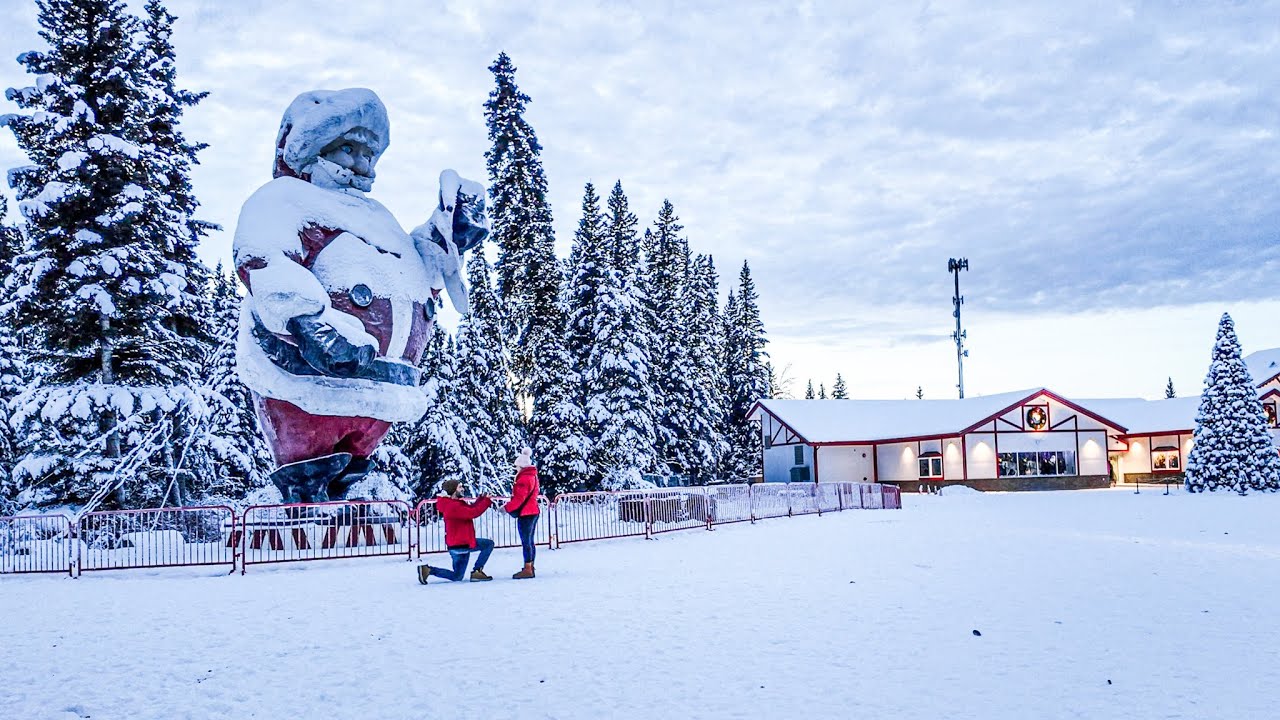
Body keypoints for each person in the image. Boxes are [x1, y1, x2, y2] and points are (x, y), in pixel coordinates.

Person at [233, 88, 488, 504]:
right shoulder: (285, 199)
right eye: (348, 148)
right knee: (309, 469)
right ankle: (301, 509)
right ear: (312, 147)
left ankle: (348, 501)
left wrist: (449, 236)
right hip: (310, 379)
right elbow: (264, 257)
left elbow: (417, 274)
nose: (360, 163)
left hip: (384, 386)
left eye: (368, 154)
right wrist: (308, 323)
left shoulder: (378, 216)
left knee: (353, 469)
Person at [417, 479, 494, 584]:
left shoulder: (451, 503)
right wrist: (486, 502)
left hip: (456, 544)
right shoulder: (453, 506)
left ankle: (428, 570)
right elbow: (472, 513)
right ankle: (477, 571)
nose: (462, 488)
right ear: (453, 490)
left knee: (457, 576)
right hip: (463, 543)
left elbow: (470, 509)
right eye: (459, 487)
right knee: (488, 544)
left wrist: (481, 499)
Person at [505, 447, 540, 579]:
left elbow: (519, 498)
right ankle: (530, 565)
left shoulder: (524, 479)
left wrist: (506, 508)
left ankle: (528, 569)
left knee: (526, 541)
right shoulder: (533, 476)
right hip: (533, 510)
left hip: (526, 513)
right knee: (530, 541)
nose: (516, 469)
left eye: (517, 466)